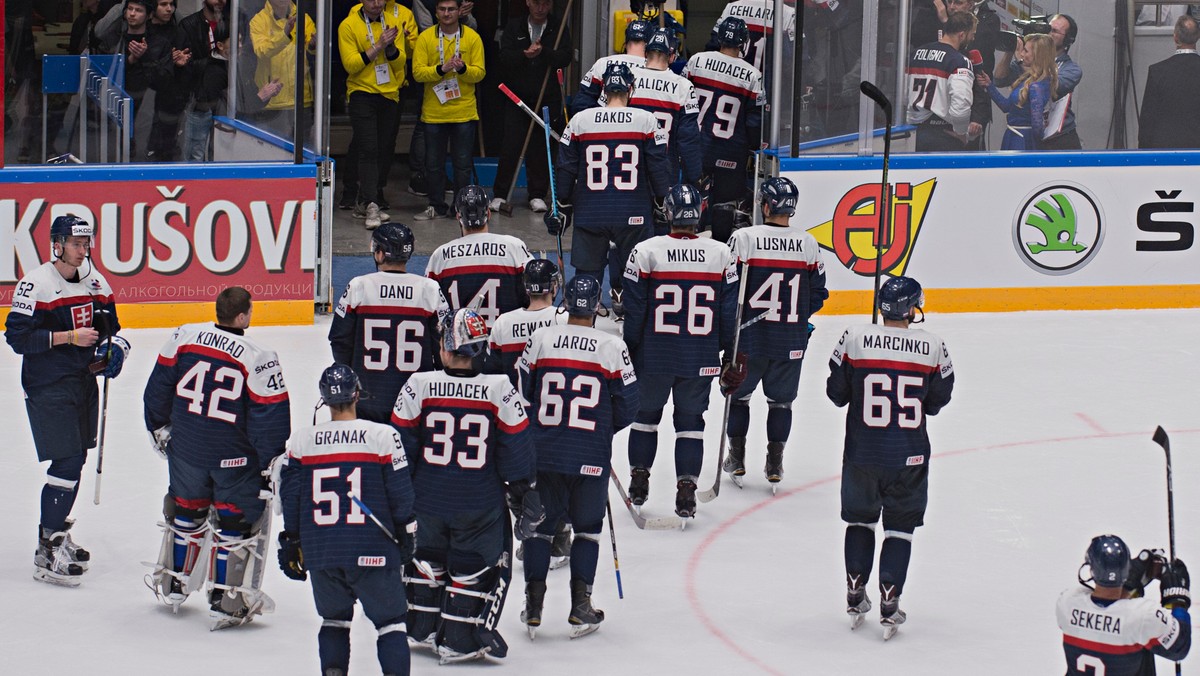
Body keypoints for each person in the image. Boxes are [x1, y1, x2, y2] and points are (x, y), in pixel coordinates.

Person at [391, 308, 542, 664]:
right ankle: (459, 638)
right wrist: (522, 491)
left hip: (426, 498)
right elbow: (517, 449)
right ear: (482, 349)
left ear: (444, 348)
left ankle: (422, 627)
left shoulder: (419, 384)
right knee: (471, 568)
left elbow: (400, 448)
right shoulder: (500, 388)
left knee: (427, 561)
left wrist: (396, 497)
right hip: (479, 501)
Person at [143, 286, 291, 629]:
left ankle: (172, 582)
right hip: (232, 458)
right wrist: (270, 464)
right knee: (235, 521)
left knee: (186, 509)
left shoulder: (184, 336)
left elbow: (159, 385)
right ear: (242, 316)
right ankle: (228, 598)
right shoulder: (258, 355)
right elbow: (268, 418)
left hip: (187, 449)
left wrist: (158, 425)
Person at [826, 276, 955, 640]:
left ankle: (855, 589)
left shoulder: (854, 337)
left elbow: (836, 392)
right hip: (908, 455)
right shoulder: (933, 346)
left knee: (860, 521)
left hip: (862, 452)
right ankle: (889, 598)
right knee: (900, 527)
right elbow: (937, 401)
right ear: (911, 309)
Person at [5, 215, 127, 587]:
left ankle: (55, 532)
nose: (82, 250)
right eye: (75, 244)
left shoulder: (95, 279)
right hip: (47, 383)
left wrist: (116, 351)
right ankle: (47, 547)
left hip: (82, 382)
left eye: (86, 243)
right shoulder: (36, 284)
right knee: (68, 458)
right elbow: (17, 338)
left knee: (77, 458)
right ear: (56, 245)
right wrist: (67, 337)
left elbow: (112, 327)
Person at [517, 274, 638, 638]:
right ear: (596, 305)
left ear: (566, 301)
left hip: (544, 451)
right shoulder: (612, 346)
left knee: (538, 531)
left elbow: (524, 392)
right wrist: (599, 431)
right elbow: (629, 405)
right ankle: (580, 608)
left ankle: (534, 606)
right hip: (590, 454)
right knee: (587, 531)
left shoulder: (540, 339)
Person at [277, 364, 417, 676]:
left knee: (334, 621)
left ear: (324, 400)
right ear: (357, 394)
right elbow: (401, 494)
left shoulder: (301, 442)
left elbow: (291, 497)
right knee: (391, 624)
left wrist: (293, 541)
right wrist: (407, 533)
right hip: (373, 546)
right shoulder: (383, 436)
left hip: (323, 550)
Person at [622, 184, 738, 519]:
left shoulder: (646, 251)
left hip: (654, 355)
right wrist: (729, 353)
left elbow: (635, 308)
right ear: (699, 213)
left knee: (645, 419)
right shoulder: (721, 253)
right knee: (690, 424)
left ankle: (639, 481)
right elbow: (729, 313)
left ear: (668, 213)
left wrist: (630, 350)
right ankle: (686, 490)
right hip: (698, 355)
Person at [724, 177, 827, 489]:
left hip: (748, 339)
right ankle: (775, 462)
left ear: (765, 205)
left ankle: (737, 458)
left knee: (739, 399)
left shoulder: (743, 238)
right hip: (790, 339)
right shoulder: (808, 243)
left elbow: (727, 287)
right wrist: (796, 320)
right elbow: (818, 294)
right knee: (781, 404)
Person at [548, 63, 672, 317]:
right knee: (638, 277)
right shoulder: (646, 120)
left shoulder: (580, 120)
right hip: (633, 211)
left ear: (603, 89)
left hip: (591, 212)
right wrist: (661, 202)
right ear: (631, 88)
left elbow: (566, 168)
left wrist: (562, 204)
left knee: (586, 278)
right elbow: (658, 169)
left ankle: (582, 327)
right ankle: (634, 328)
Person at [328, 222, 449, 424]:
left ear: (380, 254)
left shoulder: (359, 286)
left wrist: (351, 376)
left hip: (368, 397)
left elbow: (339, 340)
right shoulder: (429, 289)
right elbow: (443, 345)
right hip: (415, 398)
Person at [1057, 535, 1191, 673]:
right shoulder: (1143, 616)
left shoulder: (1067, 603)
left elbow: (1107, 614)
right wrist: (1177, 599)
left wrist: (1129, 586)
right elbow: (1180, 648)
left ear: (1091, 569)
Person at [683, 17, 765, 242]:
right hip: (730, 149)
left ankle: (688, 256)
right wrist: (753, 147)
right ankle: (718, 255)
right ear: (742, 43)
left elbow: (682, 102)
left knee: (691, 201)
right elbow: (754, 122)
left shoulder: (697, 60)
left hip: (697, 147)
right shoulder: (752, 75)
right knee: (724, 205)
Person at [490, 0, 573, 214]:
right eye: (536, 3)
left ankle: (537, 194)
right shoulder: (514, 26)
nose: (540, 8)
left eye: (545, 4)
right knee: (511, 146)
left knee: (539, 147)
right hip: (517, 98)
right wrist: (524, 55)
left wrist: (543, 52)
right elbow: (504, 57)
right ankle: (500, 194)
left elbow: (565, 57)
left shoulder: (559, 26)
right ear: (528, 3)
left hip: (546, 98)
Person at [411, 0, 486, 221]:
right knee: (433, 164)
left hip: (463, 112)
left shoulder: (472, 37)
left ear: (459, 11)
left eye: (451, 9)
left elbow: (480, 73)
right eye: (442, 9)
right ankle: (435, 204)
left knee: (462, 165)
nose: (446, 14)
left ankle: (460, 207)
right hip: (434, 113)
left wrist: (463, 69)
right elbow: (417, 73)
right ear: (435, 12)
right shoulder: (426, 38)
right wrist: (440, 69)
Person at [338, 0, 408, 229]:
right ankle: (371, 204)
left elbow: (401, 62)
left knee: (385, 148)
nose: (377, 3)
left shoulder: (394, 21)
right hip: (362, 93)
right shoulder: (348, 25)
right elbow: (350, 65)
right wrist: (378, 46)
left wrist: (392, 49)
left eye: (381, 0)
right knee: (368, 148)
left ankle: (366, 198)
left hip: (389, 93)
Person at [426, 186, 533, 328]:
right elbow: (537, 295)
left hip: (460, 345)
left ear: (458, 216)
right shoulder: (514, 247)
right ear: (488, 214)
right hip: (505, 343)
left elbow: (430, 307)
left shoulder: (440, 255)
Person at [630, 27, 703, 219]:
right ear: (671, 56)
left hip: (628, 167)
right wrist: (695, 176)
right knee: (660, 228)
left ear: (646, 52)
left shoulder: (628, 78)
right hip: (664, 168)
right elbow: (687, 139)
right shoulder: (683, 86)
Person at [995, 14, 1083, 150]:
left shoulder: (1072, 69)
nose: (1049, 32)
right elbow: (999, 80)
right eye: (1048, 28)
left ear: (1068, 40)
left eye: (1055, 31)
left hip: (1060, 138)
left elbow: (1049, 87)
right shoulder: (1028, 61)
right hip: (1031, 134)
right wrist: (1009, 51)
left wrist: (1021, 61)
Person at [485, 258, 565, 386]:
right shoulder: (564, 318)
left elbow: (492, 373)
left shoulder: (503, 322)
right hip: (551, 403)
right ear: (554, 286)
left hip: (511, 403)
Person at [906, 10, 977, 152]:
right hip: (944, 135)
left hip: (912, 133)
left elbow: (902, 93)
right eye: (972, 34)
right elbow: (961, 105)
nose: (973, 39)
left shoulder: (915, 54)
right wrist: (962, 132)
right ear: (962, 35)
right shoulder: (960, 61)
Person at [249, 0, 316, 143]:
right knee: (273, 152)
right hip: (272, 100)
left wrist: (313, 45)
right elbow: (262, 51)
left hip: (300, 97)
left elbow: (312, 49)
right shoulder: (258, 20)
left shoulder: (304, 18)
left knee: (303, 152)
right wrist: (285, 34)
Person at [979, 33, 1055, 151]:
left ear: (1037, 55)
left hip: (1022, 141)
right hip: (1014, 136)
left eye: (1025, 51)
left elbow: (1037, 126)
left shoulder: (1036, 86)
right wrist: (989, 86)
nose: (1021, 54)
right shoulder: (1029, 80)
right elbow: (1007, 107)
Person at [178, 0, 231, 161]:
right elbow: (184, 66)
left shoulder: (235, 22)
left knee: (223, 150)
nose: (221, 0)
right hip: (200, 99)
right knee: (196, 150)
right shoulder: (189, 24)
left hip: (226, 98)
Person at [1139, 14, 1200, 149]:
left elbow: (1147, 119)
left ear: (1175, 37)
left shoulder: (1157, 72)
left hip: (1165, 148)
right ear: (1197, 37)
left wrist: (1143, 150)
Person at [570, 19, 650, 116]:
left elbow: (580, 105)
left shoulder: (603, 63)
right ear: (650, 45)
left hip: (600, 126)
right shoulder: (653, 71)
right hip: (636, 127)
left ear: (625, 43)